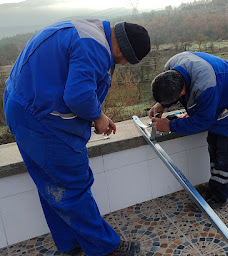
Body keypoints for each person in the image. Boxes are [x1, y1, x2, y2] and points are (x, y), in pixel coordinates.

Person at [3, 19, 150, 256]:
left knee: (51, 184)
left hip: (21, 108)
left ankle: (69, 244)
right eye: (125, 60)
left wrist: (97, 115)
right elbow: (78, 96)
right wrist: (98, 116)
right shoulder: (95, 48)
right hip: (41, 121)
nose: (121, 64)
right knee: (74, 187)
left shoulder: (88, 30)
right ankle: (106, 249)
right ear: (121, 49)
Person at [149, 51, 228, 210]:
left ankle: (219, 196)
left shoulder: (205, 84)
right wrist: (161, 104)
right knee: (213, 142)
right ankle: (217, 187)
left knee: (227, 148)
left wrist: (170, 126)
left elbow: (203, 121)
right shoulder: (170, 68)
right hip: (221, 92)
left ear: (183, 92)